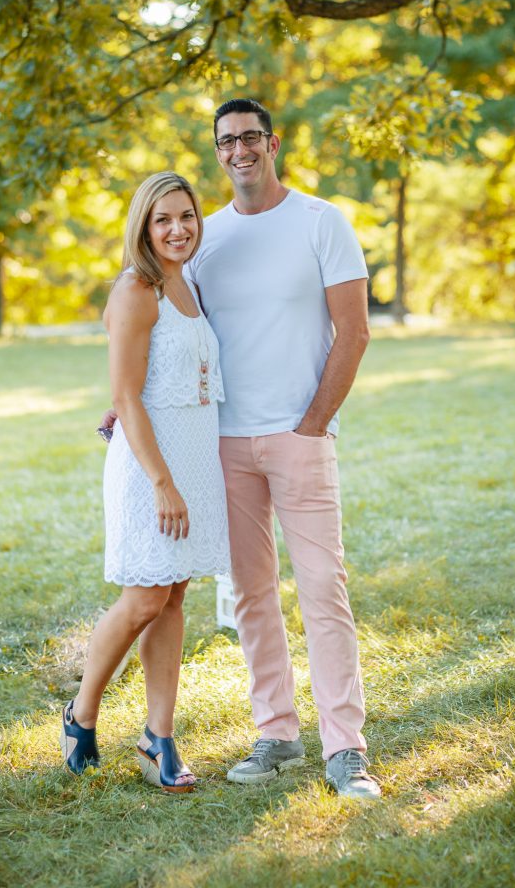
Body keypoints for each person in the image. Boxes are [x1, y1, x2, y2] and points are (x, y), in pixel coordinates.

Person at [103, 100, 379, 800]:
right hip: (222, 444)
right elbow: (170, 334)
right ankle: (277, 733)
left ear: (272, 142)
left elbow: (353, 332)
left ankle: (344, 748)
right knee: (250, 594)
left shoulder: (323, 222)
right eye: (226, 140)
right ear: (218, 151)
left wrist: (313, 422)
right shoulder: (205, 239)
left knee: (322, 589)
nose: (239, 149)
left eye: (250, 136)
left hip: (300, 436)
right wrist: (121, 399)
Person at [61, 171, 229, 792]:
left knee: (174, 597)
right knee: (143, 598)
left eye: (186, 216)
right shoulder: (137, 288)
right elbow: (126, 398)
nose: (178, 229)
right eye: (164, 220)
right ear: (144, 227)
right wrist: (162, 482)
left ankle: (158, 736)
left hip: (194, 458)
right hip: (150, 465)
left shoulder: (188, 282)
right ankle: (81, 715)